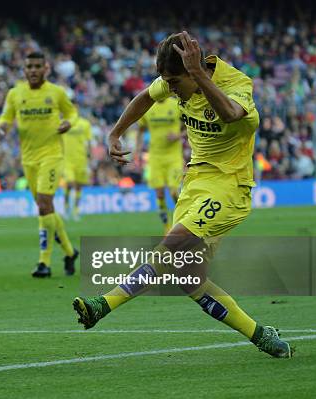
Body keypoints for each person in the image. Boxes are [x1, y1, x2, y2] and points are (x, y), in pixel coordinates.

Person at [72, 32, 293, 358]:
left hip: (230, 186)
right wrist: (116, 132)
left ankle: (103, 304)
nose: (171, 89)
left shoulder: (236, 84)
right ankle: (259, 333)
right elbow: (146, 96)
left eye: (175, 82)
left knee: (172, 245)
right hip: (195, 183)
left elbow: (232, 114)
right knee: (187, 276)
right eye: (168, 82)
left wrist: (201, 78)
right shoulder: (177, 81)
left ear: (196, 70)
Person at [0, 52, 79, 277]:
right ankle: (70, 252)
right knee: (46, 209)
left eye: (37, 66)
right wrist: (2, 129)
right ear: (24, 70)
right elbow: (6, 117)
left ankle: (44, 262)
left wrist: (68, 123)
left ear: (46, 68)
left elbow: (72, 113)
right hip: (28, 159)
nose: (33, 70)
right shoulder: (15, 93)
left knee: (44, 205)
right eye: (29, 66)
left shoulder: (56, 92)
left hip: (52, 155)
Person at [135, 96, 184, 232]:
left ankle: (182, 220)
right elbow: (140, 130)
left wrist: (178, 135)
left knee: (174, 191)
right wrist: (137, 151)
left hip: (173, 156)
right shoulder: (148, 108)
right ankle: (167, 228)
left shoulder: (176, 105)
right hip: (155, 157)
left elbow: (190, 126)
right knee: (160, 194)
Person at [63, 112, 92, 221]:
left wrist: (90, 157)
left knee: (79, 186)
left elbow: (88, 142)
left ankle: (76, 211)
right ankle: (66, 208)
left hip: (81, 159)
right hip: (67, 160)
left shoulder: (85, 124)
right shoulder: (63, 123)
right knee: (70, 183)